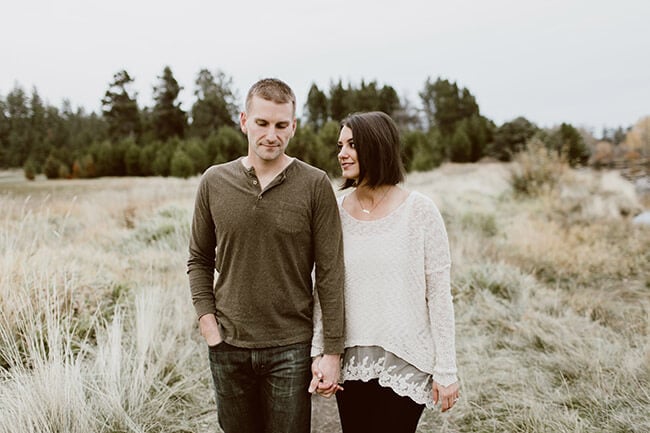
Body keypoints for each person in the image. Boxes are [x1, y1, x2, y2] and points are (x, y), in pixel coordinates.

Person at [187, 78, 345, 433]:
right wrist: (207, 323)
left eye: (281, 125)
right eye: (262, 123)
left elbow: (331, 272)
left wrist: (331, 351)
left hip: (290, 347)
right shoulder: (214, 182)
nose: (271, 134)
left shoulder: (315, 184)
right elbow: (199, 258)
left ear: (293, 127)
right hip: (227, 345)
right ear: (244, 121)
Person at [310, 111, 460, 433]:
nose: (342, 153)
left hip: (406, 358)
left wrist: (446, 369)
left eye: (352, 144)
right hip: (352, 360)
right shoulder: (333, 210)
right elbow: (324, 287)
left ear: (377, 147)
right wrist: (319, 352)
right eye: (340, 145)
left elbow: (438, 295)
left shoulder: (420, 211)